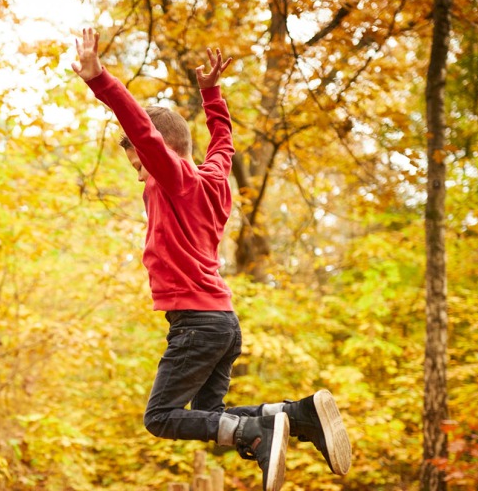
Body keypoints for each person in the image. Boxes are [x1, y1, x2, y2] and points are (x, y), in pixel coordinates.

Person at [69, 28, 352, 491]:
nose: (140, 174)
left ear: (155, 152)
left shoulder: (174, 178)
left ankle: (255, 433)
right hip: (223, 321)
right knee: (210, 414)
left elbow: (140, 126)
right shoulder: (215, 179)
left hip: (197, 323)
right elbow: (223, 140)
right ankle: (297, 416)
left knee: (161, 417)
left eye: (139, 164)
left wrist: (99, 78)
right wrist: (211, 94)